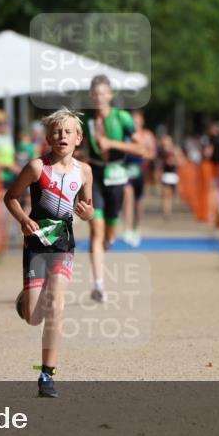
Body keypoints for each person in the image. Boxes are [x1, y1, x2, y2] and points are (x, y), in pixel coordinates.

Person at [4, 107, 94, 398]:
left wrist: (87, 212)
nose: (62, 136)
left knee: (57, 304)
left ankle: (47, 375)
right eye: (56, 132)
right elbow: (11, 197)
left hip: (63, 244)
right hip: (36, 244)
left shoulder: (85, 172)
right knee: (32, 317)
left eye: (68, 131)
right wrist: (23, 219)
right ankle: (28, 299)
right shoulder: (36, 168)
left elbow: (88, 208)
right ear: (48, 138)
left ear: (78, 138)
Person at [80, 75, 147, 303]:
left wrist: (112, 144)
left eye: (103, 94)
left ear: (110, 95)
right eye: (95, 94)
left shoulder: (122, 118)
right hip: (95, 176)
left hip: (117, 175)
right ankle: (98, 284)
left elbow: (142, 149)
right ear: (91, 96)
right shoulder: (86, 120)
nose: (99, 98)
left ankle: (107, 243)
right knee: (96, 231)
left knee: (109, 234)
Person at [121, 109, 157, 247]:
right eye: (133, 120)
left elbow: (152, 153)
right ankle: (127, 229)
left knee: (138, 203)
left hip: (140, 171)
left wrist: (140, 154)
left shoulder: (147, 135)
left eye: (137, 120)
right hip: (126, 171)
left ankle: (136, 228)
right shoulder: (126, 134)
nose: (135, 123)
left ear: (142, 121)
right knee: (127, 197)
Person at [157, 134, 182, 220]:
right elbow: (159, 164)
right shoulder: (161, 151)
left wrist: (173, 161)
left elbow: (181, 161)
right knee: (165, 194)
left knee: (171, 194)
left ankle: (169, 209)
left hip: (173, 174)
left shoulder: (175, 150)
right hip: (165, 174)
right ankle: (166, 211)